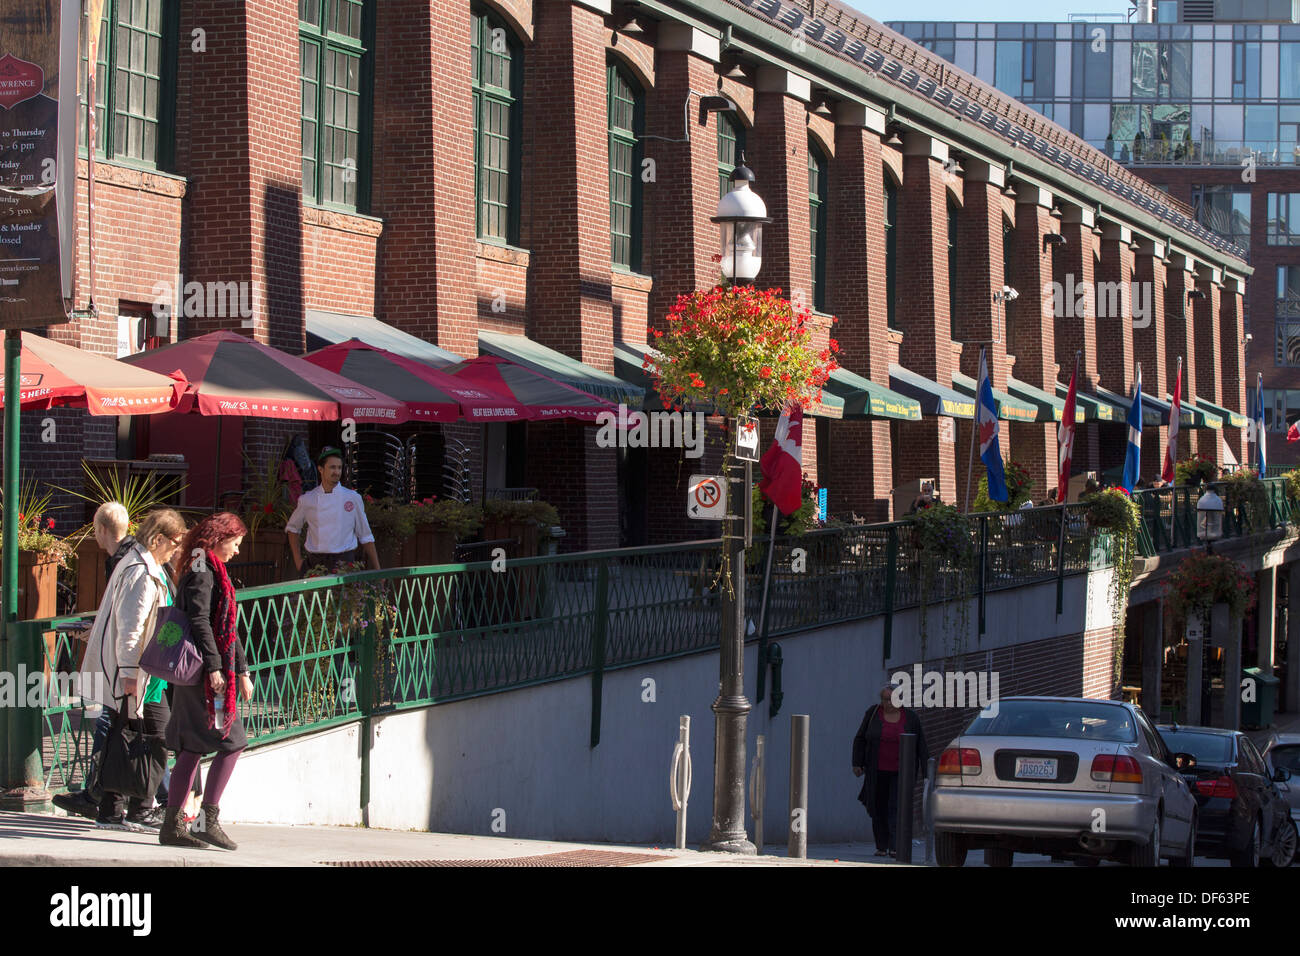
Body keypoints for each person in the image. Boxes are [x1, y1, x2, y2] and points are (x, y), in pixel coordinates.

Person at [79, 509, 188, 831]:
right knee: (145, 738)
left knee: (131, 739)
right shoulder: (141, 572)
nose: (176, 549)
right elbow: (131, 628)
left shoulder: (146, 565)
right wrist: (129, 675)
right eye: (174, 542)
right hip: (136, 675)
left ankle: (121, 810)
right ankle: (130, 809)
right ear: (158, 539)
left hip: (145, 674)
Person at [160, 512, 254, 851]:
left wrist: (241, 670)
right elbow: (200, 620)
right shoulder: (203, 570)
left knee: (193, 747)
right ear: (219, 538)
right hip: (205, 678)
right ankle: (204, 821)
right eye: (236, 542)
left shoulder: (206, 566)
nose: (238, 550)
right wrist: (216, 668)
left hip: (200, 676)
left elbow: (227, 627)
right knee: (232, 741)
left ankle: (174, 826)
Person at [54, 502, 143, 821]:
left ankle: (146, 798)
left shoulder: (124, 561)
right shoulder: (132, 555)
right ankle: (105, 796)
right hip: (130, 660)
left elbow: (128, 616)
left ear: (102, 530)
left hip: (127, 663)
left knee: (125, 727)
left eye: (95, 529)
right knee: (122, 727)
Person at [852, 682, 929, 858]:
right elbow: (860, 738)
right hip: (876, 770)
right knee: (877, 808)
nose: (888, 703)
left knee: (895, 807)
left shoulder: (910, 718)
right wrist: (857, 763)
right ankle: (881, 845)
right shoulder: (872, 714)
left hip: (900, 772)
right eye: (885, 699)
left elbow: (921, 747)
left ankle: (895, 846)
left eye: (892, 699)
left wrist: (926, 774)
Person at [286, 446, 380, 575]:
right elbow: (292, 529)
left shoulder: (353, 498)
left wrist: (378, 570)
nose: (336, 472)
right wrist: (298, 562)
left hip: (345, 566)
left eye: (339, 467)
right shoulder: (308, 499)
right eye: (332, 467)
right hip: (315, 566)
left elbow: (366, 536)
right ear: (320, 469)